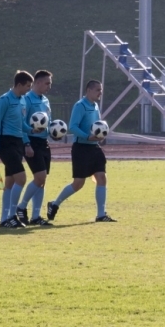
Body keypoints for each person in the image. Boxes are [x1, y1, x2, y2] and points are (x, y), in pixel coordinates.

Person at [47, 79, 114, 223]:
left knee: (102, 177)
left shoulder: (95, 105)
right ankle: (54, 204)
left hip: (94, 147)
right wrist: (87, 137)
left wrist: (100, 136)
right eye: (97, 90)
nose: (100, 92)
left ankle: (101, 214)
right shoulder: (80, 105)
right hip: (81, 149)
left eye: (101, 90)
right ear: (89, 90)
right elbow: (73, 127)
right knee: (78, 183)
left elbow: (97, 125)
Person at [0, 70, 34, 228]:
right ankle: (12, 216)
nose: (29, 89)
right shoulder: (4, 100)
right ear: (19, 85)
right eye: (27, 86)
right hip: (6, 144)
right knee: (21, 178)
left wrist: (31, 133)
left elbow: (22, 124)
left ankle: (3, 219)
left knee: (10, 182)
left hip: (18, 143)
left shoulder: (23, 100)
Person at [18, 70, 53, 225]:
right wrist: (26, 143)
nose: (49, 86)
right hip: (32, 142)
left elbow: (48, 122)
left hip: (44, 142)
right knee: (40, 177)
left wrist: (54, 132)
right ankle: (21, 206)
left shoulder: (45, 100)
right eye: (47, 83)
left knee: (41, 181)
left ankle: (36, 216)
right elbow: (22, 123)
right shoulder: (26, 99)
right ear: (37, 82)